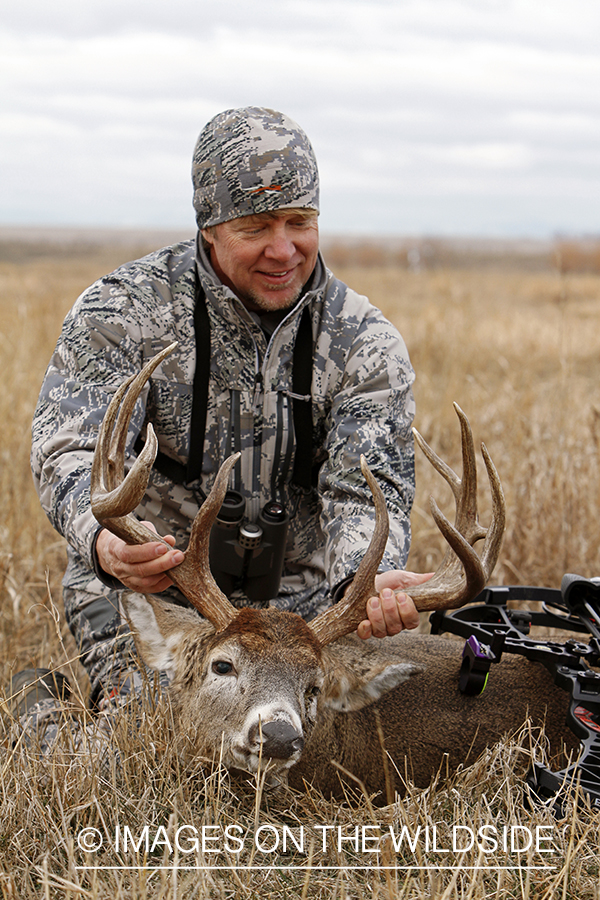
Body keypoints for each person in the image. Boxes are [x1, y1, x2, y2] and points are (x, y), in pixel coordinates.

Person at [27, 106, 427, 716]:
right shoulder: (122, 313)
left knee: (335, 742)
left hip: (304, 614)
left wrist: (362, 586)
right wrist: (106, 541)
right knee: (157, 733)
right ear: (208, 227)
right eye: (256, 227)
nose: (283, 249)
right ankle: (44, 713)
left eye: (300, 221)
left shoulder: (364, 343)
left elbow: (369, 489)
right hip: (159, 597)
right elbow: (71, 452)